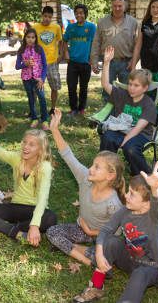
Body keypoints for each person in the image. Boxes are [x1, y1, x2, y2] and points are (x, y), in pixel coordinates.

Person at [73, 163, 158, 303]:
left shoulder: (153, 218)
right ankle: (96, 287)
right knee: (111, 241)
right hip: (128, 259)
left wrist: (155, 189)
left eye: (132, 194)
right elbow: (106, 230)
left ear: (147, 204)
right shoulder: (125, 211)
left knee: (140, 273)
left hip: (149, 268)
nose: (126, 196)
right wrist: (99, 254)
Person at [47, 108, 123, 265]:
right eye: (92, 165)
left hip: (101, 236)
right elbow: (68, 155)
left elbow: (117, 232)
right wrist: (54, 129)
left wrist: (91, 232)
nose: (90, 169)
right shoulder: (85, 178)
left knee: (110, 251)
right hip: (81, 228)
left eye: (97, 167)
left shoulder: (113, 203)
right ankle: (88, 260)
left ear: (110, 176)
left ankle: (78, 250)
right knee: (52, 232)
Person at [0, 129, 57, 247]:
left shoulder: (45, 167)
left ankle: (7, 228)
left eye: (31, 144)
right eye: (24, 142)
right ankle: (16, 232)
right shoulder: (17, 158)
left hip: (34, 210)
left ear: (41, 149)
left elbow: (42, 199)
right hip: (15, 207)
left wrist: (34, 225)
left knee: (51, 218)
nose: (26, 146)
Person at [99, 46, 157, 176]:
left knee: (130, 149)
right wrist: (107, 62)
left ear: (145, 88)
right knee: (108, 137)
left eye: (136, 86)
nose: (131, 88)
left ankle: (145, 176)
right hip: (121, 129)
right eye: (130, 84)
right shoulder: (123, 95)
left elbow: (138, 128)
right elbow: (105, 85)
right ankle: (105, 169)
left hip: (141, 134)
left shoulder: (148, 104)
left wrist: (124, 142)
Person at [90, 0, 139, 101]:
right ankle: (108, 116)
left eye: (120, 6)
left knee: (127, 91)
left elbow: (138, 45)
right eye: (114, 6)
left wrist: (134, 62)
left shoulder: (133, 23)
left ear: (125, 6)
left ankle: (124, 115)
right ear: (111, 6)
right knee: (108, 92)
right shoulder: (102, 22)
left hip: (126, 63)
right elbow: (96, 43)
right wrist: (94, 61)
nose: (117, 8)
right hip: (108, 63)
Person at [63, 4, 96, 116]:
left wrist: (93, 58)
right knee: (71, 87)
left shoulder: (91, 27)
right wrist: (66, 52)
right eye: (77, 13)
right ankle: (73, 109)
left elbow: (95, 43)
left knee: (83, 87)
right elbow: (64, 41)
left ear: (85, 14)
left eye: (81, 13)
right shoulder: (70, 27)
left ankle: (81, 109)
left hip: (86, 63)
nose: (79, 15)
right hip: (72, 62)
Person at [15, 28, 49, 130]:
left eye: (33, 37)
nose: (30, 39)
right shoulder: (21, 50)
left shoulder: (39, 49)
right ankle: (34, 118)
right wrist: (24, 64)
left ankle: (45, 120)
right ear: (25, 38)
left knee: (42, 98)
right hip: (26, 79)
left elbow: (45, 65)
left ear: (36, 38)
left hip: (38, 79)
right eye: (28, 37)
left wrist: (42, 79)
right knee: (31, 98)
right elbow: (17, 66)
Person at [33, 6, 63, 115]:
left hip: (52, 62)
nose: (47, 19)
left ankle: (53, 108)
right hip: (38, 63)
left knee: (54, 86)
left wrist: (61, 54)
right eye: (45, 16)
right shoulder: (35, 27)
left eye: (49, 17)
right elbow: (31, 42)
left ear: (52, 17)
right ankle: (34, 109)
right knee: (36, 87)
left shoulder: (56, 28)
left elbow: (60, 41)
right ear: (42, 15)